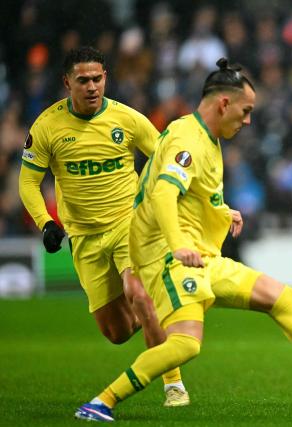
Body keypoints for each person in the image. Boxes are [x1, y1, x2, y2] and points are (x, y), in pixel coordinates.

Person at [74, 58, 292, 422]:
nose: (248, 120)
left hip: (201, 258)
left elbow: (191, 194)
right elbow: (162, 196)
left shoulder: (204, 136)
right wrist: (177, 245)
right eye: (245, 110)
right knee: (185, 344)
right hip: (170, 259)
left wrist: (222, 211)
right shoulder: (188, 141)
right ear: (223, 103)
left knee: (281, 297)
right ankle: (100, 402)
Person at [18, 46, 189, 407]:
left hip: (129, 224)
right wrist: (46, 222)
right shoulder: (47, 126)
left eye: (97, 78)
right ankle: (155, 312)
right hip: (84, 238)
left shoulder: (127, 119)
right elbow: (28, 183)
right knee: (117, 332)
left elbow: (165, 158)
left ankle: (173, 384)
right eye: (83, 80)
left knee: (138, 293)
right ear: (68, 83)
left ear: (105, 78)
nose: (92, 86)